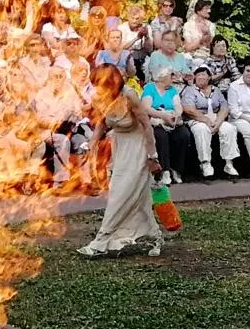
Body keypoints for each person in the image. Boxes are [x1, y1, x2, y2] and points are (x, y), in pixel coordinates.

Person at [77, 64, 163, 258]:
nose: (97, 89)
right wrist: (91, 143)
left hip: (139, 145)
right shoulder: (100, 97)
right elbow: (102, 122)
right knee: (129, 194)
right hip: (121, 145)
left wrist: (152, 157)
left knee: (122, 194)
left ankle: (100, 242)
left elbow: (147, 126)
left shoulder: (129, 95)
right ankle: (154, 236)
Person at [181, 65, 239, 177]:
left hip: (216, 119)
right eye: (198, 75)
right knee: (202, 130)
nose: (200, 77)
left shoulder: (216, 90)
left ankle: (229, 163)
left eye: (203, 74)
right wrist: (206, 121)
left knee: (229, 129)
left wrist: (218, 122)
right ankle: (205, 163)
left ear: (209, 77)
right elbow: (188, 109)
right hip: (197, 119)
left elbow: (224, 107)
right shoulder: (190, 90)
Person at [140, 69, 195, 184]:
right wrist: (163, 115)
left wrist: (175, 115)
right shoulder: (150, 88)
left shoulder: (172, 90)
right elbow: (146, 108)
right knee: (161, 136)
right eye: (171, 75)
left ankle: (176, 169)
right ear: (162, 77)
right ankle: (164, 170)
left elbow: (178, 106)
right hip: (156, 119)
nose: (173, 78)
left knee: (183, 135)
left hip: (171, 119)